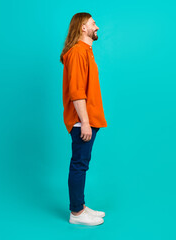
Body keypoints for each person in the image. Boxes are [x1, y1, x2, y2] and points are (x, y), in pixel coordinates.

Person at [60, 12, 107, 226]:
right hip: (82, 121)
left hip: (87, 119)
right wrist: (85, 122)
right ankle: (76, 213)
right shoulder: (78, 52)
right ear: (83, 28)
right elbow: (77, 92)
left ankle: (80, 206)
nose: (97, 27)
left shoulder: (86, 52)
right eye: (93, 23)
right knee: (79, 165)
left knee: (82, 164)